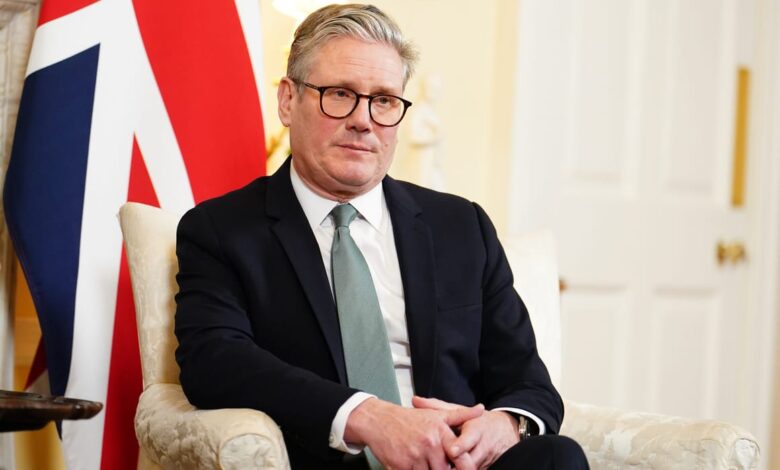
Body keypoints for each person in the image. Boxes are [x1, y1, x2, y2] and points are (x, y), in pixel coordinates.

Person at [174, 4, 588, 469]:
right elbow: (214, 361)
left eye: (385, 100)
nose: (364, 120)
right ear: (288, 100)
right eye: (340, 94)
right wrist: (368, 417)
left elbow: (528, 382)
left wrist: (506, 426)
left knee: (558, 457)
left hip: (458, 461)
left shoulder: (461, 226)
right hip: (329, 459)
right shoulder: (221, 230)